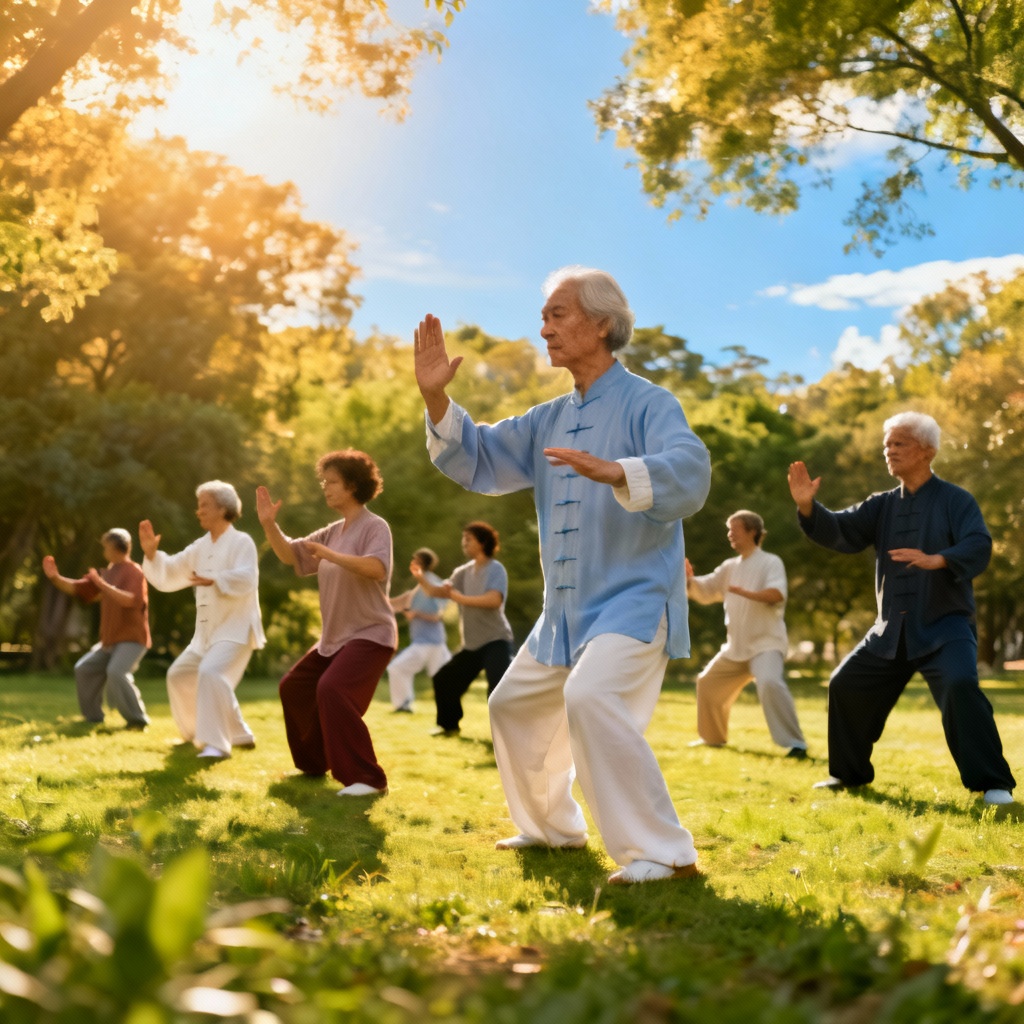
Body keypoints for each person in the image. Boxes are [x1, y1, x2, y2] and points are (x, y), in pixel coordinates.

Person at [414, 265, 712, 885]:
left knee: (590, 695)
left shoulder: (650, 403)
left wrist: (621, 472)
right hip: (567, 610)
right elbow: (481, 458)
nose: (543, 328)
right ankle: (554, 828)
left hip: (635, 600)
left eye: (557, 315)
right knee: (513, 705)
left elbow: (690, 471)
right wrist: (437, 400)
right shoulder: (548, 418)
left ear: (601, 325)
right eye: (545, 316)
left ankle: (666, 852)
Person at [787, 411, 1016, 804]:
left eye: (899, 444)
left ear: (927, 451)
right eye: (886, 445)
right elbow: (843, 530)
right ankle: (849, 774)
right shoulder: (881, 505)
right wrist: (810, 507)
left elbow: (979, 544)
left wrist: (939, 559)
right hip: (889, 630)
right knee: (845, 684)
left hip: (945, 628)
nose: (889, 451)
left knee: (961, 685)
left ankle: (992, 783)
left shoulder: (956, 500)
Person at [256, 449, 397, 797]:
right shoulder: (334, 530)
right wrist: (269, 525)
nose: (325, 487)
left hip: (371, 633)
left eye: (331, 481)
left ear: (352, 485)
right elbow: (292, 554)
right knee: (295, 687)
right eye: (324, 481)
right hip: (335, 638)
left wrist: (332, 555)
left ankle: (368, 779)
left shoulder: (374, 527)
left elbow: (377, 569)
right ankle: (314, 763)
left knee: (332, 690)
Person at [140, 481, 265, 759]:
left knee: (211, 674)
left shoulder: (242, 541)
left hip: (236, 628)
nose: (198, 512)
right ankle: (208, 732)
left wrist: (218, 579)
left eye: (204, 505)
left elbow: (248, 578)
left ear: (223, 508)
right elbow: (171, 571)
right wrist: (151, 554)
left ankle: (217, 744)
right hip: (206, 634)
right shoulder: (200, 546)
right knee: (180, 674)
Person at [685, 511, 807, 757]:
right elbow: (707, 589)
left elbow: (777, 595)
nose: (730, 534)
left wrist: (745, 592)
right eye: (729, 530)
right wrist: (688, 580)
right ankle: (712, 738)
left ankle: (796, 744)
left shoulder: (771, 562)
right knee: (708, 683)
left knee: (770, 682)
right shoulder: (730, 566)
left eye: (734, 529)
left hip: (766, 645)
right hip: (735, 648)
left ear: (752, 531)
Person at [412, 522, 514, 735]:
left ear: (483, 542)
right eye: (463, 539)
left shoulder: (496, 569)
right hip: (472, 644)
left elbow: (494, 600)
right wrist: (421, 577)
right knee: (444, 679)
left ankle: (508, 737)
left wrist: (461, 598)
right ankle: (449, 727)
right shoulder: (462, 572)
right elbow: (437, 592)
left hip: (496, 639)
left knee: (498, 690)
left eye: (469, 539)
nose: (464, 543)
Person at [42, 529, 150, 730]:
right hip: (110, 640)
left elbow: (132, 600)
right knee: (84, 668)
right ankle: (93, 717)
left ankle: (137, 720)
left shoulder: (134, 571)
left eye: (106, 545)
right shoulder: (107, 572)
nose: (104, 550)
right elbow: (78, 588)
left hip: (132, 639)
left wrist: (102, 584)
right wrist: (55, 577)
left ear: (118, 546)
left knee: (117, 672)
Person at [386, 548, 452, 713]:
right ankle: (405, 705)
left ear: (420, 563)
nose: (411, 563)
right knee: (442, 679)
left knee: (397, 668)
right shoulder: (417, 588)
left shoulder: (435, 584)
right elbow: (395, 604)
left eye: (414, 559)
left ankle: (404, 705)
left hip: (432, 643)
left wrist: (416, 614)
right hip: (425, 642)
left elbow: (439, 615)